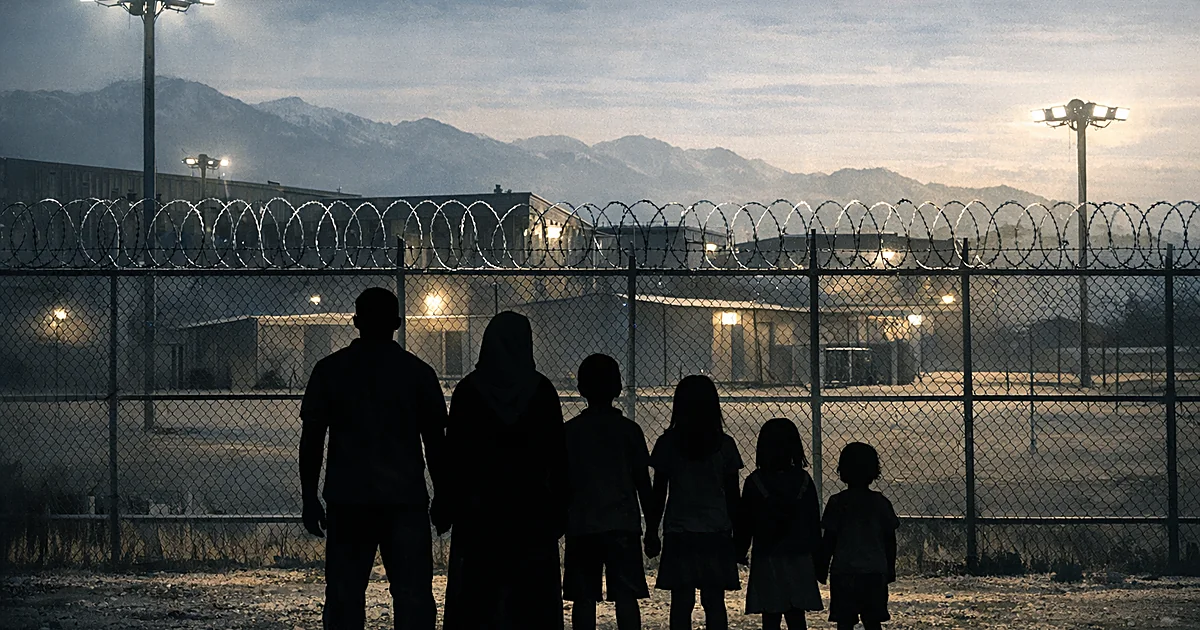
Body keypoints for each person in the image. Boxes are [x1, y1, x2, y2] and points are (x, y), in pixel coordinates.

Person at [298, 287, 447, 630]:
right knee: (412, 596)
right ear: (397, 323)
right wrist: (443, 494)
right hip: (405, 498)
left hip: (349, 498)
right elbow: (435, 442)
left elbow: (312, 440)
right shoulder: (417, 373)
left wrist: (310, 496)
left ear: (355, 322)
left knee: (344, 595)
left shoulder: (331, 370)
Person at [440, 311, 568, 630]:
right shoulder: (541, 392)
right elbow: (557, 455)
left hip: (480, 509)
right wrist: (560, 505)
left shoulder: (469, 392)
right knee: (531, 599)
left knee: (479, 596)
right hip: (531, 508)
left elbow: (454, 453)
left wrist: (450, 499)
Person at [563, 354, 654, 630]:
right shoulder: (629, 431)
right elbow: (643, 483)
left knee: (583, 598)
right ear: (618, 388)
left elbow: (561, 481)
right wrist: (651, 527)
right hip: (622, 524)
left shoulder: (570, 432)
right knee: (626, 596)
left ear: (581, 389)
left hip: (582, 524)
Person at [645, 375, 743, 630]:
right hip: (716, 530)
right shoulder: (724, 445)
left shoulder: (668, 444)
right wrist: (741, 536)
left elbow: (659, 493)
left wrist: (652, 531)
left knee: (681, 601)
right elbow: (734, 497)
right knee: (714, 600)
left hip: (680, 531)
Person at [734, 418, 823, 630]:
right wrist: (819, 558)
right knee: (796, 615)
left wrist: (739, 549)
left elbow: (745, 521)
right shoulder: (803, 480)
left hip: (767, 555)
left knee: (770, 616)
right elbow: (812, 522)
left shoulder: (755, 482)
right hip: (799, 555)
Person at [817, 442, 899, 630]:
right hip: (874, 572)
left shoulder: (837, 502)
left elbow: (829, 539)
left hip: (844, 572)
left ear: (843, 471)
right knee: (873, 621)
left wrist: (821, 566)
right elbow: (889, 540)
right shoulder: (880, 503)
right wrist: (890, 568)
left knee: (844, 622)